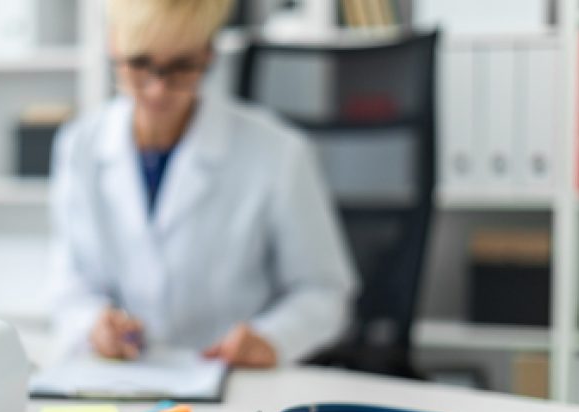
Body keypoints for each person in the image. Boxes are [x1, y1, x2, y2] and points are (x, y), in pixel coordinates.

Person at [49, 0, 356, 368]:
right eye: (140, 64)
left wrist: (273, 338)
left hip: (237, 384)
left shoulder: (278, 152)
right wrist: (93, 326)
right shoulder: (79, 146)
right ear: (114, 46)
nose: (158, 89)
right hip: (126, 379)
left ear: (208, 55)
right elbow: (69, 283)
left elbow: (324, 292)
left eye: (181, 67)